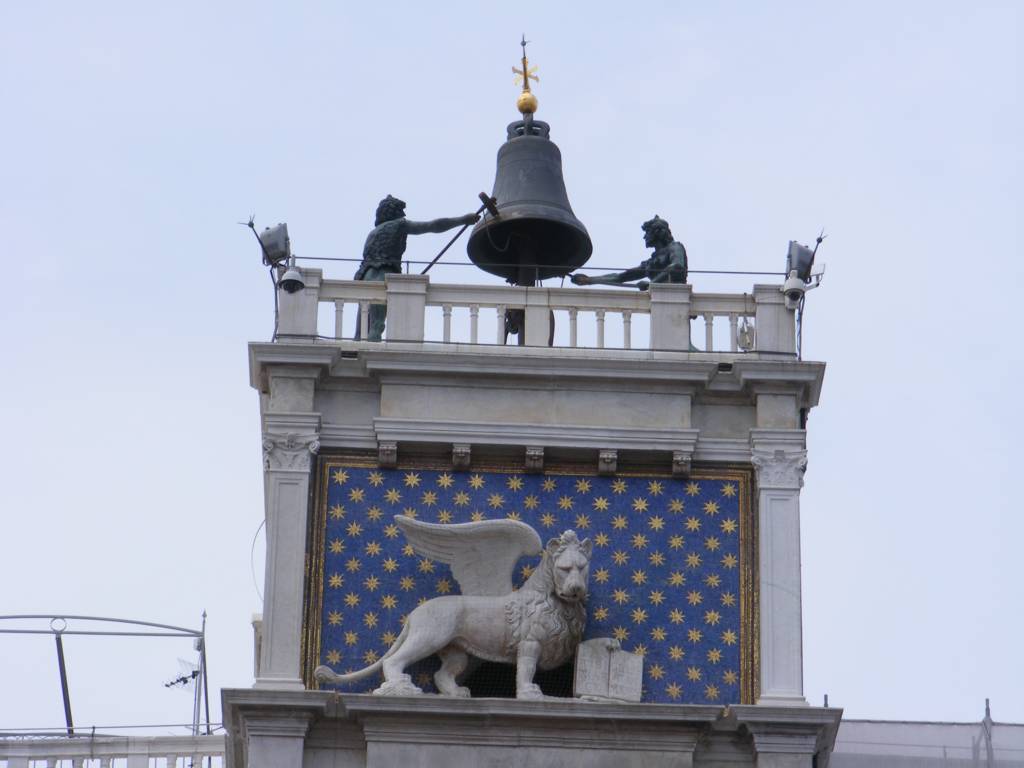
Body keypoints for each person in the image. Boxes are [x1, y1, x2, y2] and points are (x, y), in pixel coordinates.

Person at [354, 195, 479, 340]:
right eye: (401, 211)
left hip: (365, 277)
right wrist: (463, 220)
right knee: (376, 328)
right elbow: (433, 226)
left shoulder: (372, 234)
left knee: (362, 330)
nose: (404, 215)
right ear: (395, 212)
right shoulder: (399, 224)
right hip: (383, 274)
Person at [570, 215, 687, 289]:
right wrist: (589, 280)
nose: (645, 237)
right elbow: (620, 277)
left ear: (657, 232)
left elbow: (676, 266)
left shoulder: (675, 247)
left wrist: (652, 284)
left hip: (675, 298)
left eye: (647, 233)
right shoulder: (649, 263)